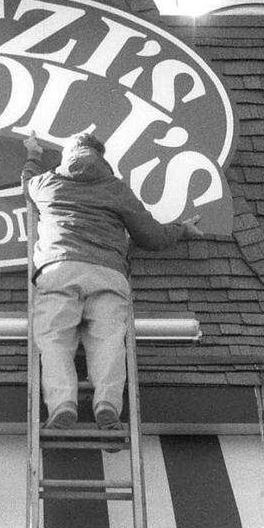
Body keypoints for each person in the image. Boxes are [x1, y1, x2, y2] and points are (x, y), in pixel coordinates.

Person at [22, 128, 198, 435]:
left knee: (53, 341)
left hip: (59, 269)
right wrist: (182, 228)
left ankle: (63, 404)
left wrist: (34, 155)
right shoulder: (116, 189)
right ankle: (107, 405)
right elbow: (152, 237)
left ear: (67, 155)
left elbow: (27, 183)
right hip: (108, 273)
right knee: (108, 342)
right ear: (101, 157)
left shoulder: (46, 182)